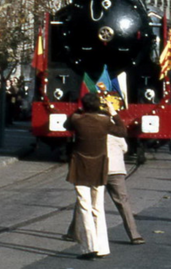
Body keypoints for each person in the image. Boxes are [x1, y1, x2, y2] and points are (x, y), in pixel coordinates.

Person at [65, 93, 126, 260]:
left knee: (84, 206)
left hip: (80, 167)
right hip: (99, 167)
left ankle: (89, 247)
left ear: (84, 106)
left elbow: (66, 124)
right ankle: (102, 247)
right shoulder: (105, 121)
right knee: (98, 207)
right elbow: (122, 131)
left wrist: (79, 110)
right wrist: (112, 112)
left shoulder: (77, 119)